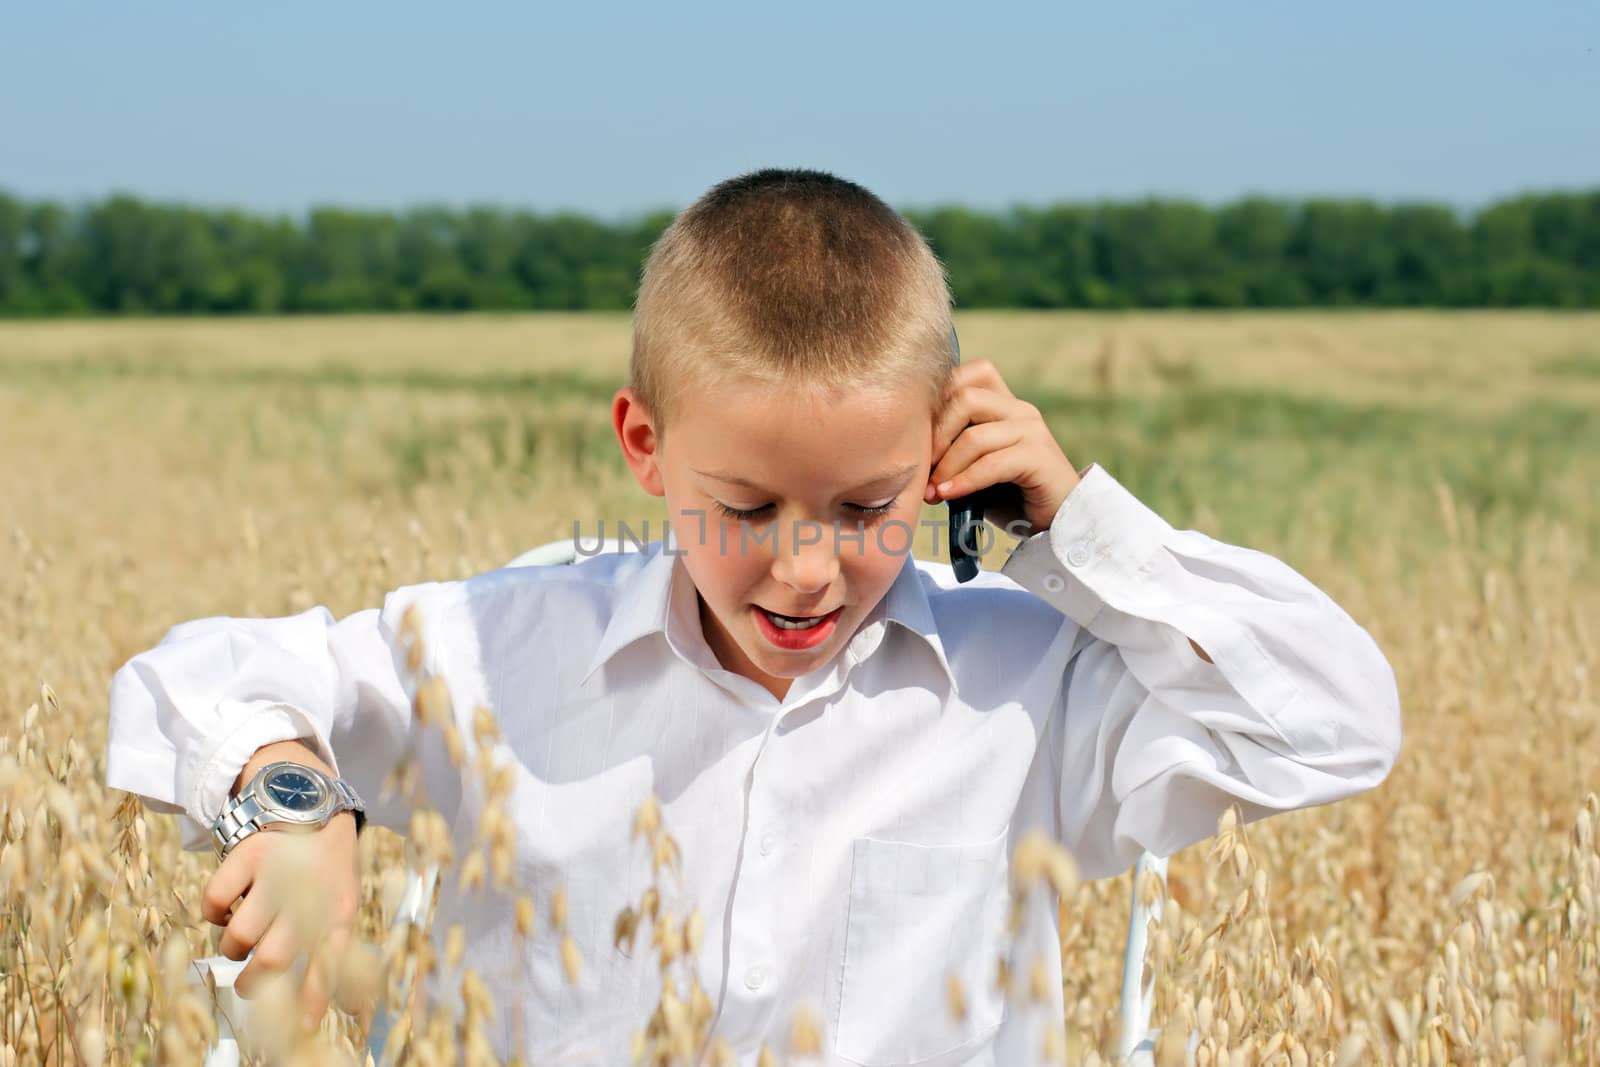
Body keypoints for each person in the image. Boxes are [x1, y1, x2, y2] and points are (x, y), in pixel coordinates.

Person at [104, 167, 1402, 1065]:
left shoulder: (1028, 690)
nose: (804, 568)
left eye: (864, 504)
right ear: (645, 446)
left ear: (947, 454)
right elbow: (199, 674)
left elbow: (1334, 725)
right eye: (748, 502)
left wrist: (1074, 528)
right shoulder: (509, 653)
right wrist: (289, 803)